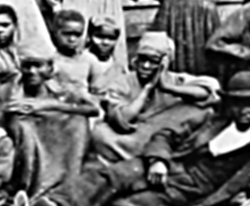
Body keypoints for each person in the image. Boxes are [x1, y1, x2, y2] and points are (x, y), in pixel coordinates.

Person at [11, 72, 250, 206]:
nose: (246, 110)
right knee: (111, 177)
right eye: (239, 104)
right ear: (229, 104)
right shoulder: (209, 119)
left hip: (188, 191)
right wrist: (158, 161)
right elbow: (166, 135)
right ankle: (55, 204)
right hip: (167, 166)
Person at [91, 31, 220, 164]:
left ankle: (156, 155)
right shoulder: (123, 82)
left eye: (153, 61)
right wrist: (147, 89)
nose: (146, 66)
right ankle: (154, 157)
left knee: (204, 111)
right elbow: (122, 119)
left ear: (165, 63)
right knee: (101, 133)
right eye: (143, 59)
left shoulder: (175, 80)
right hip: (136, 136)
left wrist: (167, 87)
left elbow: (207, 91)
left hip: (166, 134)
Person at [5, 47, 100, 199]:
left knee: (78, 122)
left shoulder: (61, 87)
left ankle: (69, 185)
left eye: (38, 66)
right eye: (27, 66)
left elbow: (94, 109)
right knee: (24, 129)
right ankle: (32, 188)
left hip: (55, 134)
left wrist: (49, 105)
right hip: (28, 139)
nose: (32, 71)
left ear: (49, 68)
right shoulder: (12, 89)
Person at [50, 9, 104, 97]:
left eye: (77, 34)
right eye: (67, 34)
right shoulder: (50, 60)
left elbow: (99, 91)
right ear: (55, 33)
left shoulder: (90, 61)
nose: (72, 39)